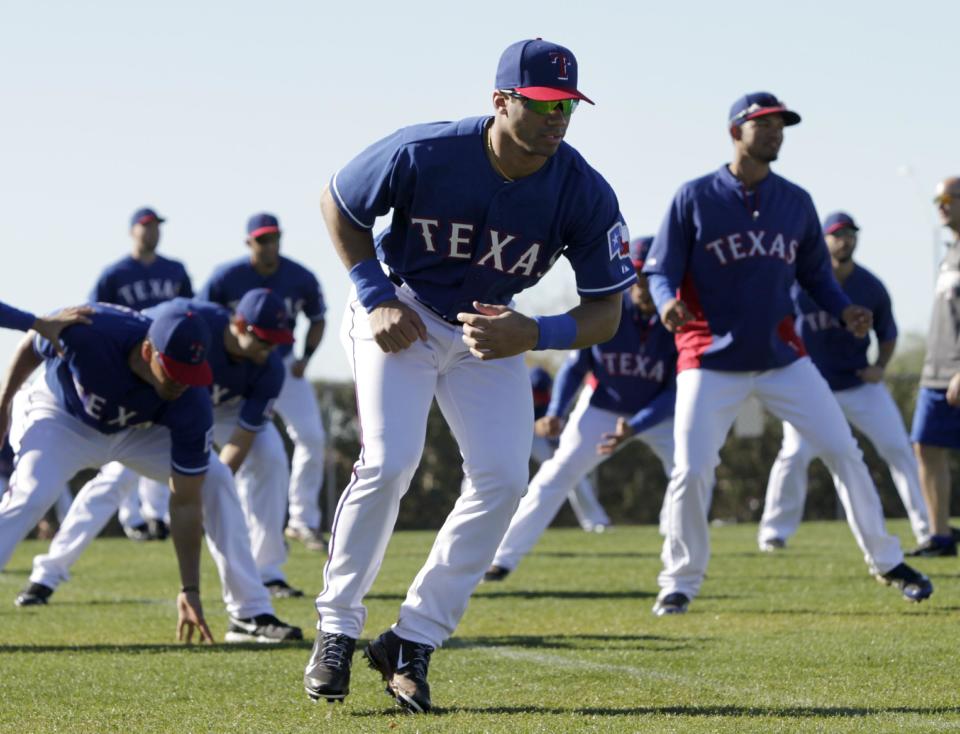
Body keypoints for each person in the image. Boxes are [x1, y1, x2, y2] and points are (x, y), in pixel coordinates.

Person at [302, 38, 635, 713]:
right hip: (404, 309)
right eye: (542, 104)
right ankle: (337, 627)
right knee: (392, 460)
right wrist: (375, 297)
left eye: (568, 105)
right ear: (501, 100)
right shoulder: (427, 149)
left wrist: (538, 333)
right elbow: (340, 204)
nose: (557, 118)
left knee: (506, 479)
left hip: (492, 329)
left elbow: (607, 311)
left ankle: (413, 640)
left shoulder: (583, 189)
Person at [643, 91, 932, 617]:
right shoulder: (695, 197)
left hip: (782, 357)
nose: (776, 133)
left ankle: (888, 561)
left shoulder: (795, 201)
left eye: (781, 125)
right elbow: (660, 269)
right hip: (708, 356)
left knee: (844, 451)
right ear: (736, 132)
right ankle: (679, 581)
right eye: (765, 124)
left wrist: (845, 310)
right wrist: (665, 303)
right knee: (691, 469)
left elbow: (817, 276)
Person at [0, 301, 301, 643]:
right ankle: (48, 572)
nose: (182, 383)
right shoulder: (90, 333)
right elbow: (32, 343)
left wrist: (189, 589)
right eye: (173, 370)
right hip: (62, 416)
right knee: (32, 493)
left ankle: (249, 613)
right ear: (147, 351)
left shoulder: (191, 399)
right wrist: (4, 403)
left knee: (216, 480)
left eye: (191, 373)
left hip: (135, 430)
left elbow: (186, 502)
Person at [484, 236, 676, 581]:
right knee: (557, 475)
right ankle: (502, 559)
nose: (644, 286)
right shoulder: (611, 312)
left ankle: (678, 557)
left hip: (657, 415)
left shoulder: (674, 320)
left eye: (651, 277)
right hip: (603, 405)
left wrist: (637, 426)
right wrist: (557, 410)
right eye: (637, 276)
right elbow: (576, 366)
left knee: (691, 470)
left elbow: (675, 393)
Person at [758, 212, 930, 550]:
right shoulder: (800, 283)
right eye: (837, 234)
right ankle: (774, 532)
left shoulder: (870, 286)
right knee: (794, 454)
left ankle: (928, 528)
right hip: (811, 388)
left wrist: (880, 364)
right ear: (823, 241)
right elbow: (777, 323)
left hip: (858, 384)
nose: (845, 240)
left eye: (850, 233)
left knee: (899, 448)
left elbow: (888, 333)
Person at [201, 213, 329, 552]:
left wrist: (306, 356)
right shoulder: (227, 277)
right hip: (238, 369)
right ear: (249, 242)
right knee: (257, 450)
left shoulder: (299, 276)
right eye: (261, 239)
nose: (269, 245)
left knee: (312, 438)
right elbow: (203, 321)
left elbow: (318, 318)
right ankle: (251, 524)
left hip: (282, 365)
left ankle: (302, 521)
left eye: (274, 237)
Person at [91, 207, 195, 542]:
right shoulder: (115, 273)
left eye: (156, 227)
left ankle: (156, 515)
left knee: (161, 433)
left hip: (166, 363)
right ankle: (131, 517)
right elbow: (96, 315)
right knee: (127, 439)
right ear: (133, 230)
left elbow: (189, 311)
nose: (152, 232)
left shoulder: (175, 269)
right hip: (130, 361)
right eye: (147, 226)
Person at [910, 177, 960, 556]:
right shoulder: (950, 251)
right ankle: (940, 536)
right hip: (935, 370)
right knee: (926, 447)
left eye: (948, 198)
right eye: (937, 199)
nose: (941, 205)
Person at [527, 365, 611, 532]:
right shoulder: (515, 396)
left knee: (571, 473)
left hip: (540, 440)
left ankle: (596, 521)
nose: (538, 399)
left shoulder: (553, 401)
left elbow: (555, 431)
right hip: (516, 436)